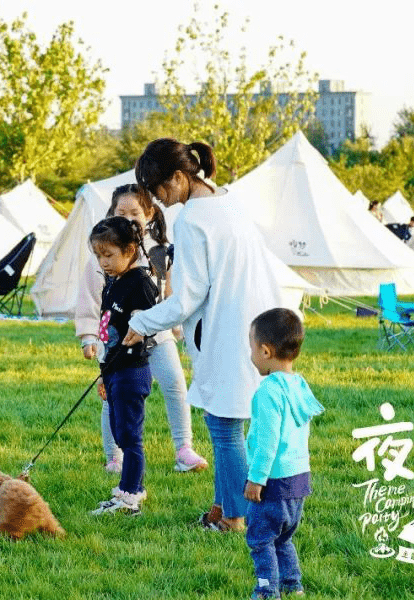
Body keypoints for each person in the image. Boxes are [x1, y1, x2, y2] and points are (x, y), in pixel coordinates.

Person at [122, 138, 285, 532]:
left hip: (229, 330)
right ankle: (221, 505)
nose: (159, 200)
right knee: (226, 422)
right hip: (257, 322)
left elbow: (188, 297)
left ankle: (235, 517)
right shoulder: (228, 200)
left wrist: (140, 323)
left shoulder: (193, 218)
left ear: (179, 177)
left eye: (159, 189)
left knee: (225, 428)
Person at [76, 184, 207, 474]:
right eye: (121, 212)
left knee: (175, 385)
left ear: (149, 214)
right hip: (118, 340)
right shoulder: (103, 255)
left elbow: (169, 293)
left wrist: (177, 328)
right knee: (114, 394)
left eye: (135, 212)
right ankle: (114, 455)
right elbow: (90, 299)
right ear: (112, 213)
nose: (129, 217)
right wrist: (88, 336)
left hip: (156, 333)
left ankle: (183, 448)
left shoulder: (161, 251)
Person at [244, 308, 323, 600]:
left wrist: (256, 479)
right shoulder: (299, 385)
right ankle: (293, 585)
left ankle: (266, 590)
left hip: (273, 482)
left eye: (252, 348)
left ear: (266, 351)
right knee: (283, 538)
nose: (251, 355)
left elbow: (267, 443)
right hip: (299, 479)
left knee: (260, 540)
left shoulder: (268, 392)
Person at [86, 216, 158, 516]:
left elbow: (151, 318)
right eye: (99, 256)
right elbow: (108, 333)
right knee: (119, 432)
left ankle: (129, 497)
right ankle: (132, 489)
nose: (103, 262)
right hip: (114, 371)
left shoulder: (139, 282)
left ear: (130, 250)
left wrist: (142, 323)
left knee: (130, 436)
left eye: (109, 255)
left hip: (132, 371)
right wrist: (103, 375)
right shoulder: (112, 282)